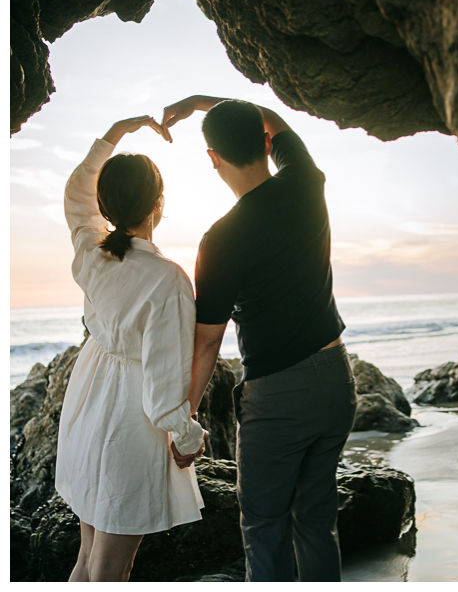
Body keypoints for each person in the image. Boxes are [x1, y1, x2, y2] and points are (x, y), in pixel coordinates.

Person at [161, 96, 357, 583]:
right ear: (266, 142)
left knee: (265, 526)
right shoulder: (306, 183)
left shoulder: (221, 239)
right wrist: (206, 103)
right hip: (336, 380)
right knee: (316, 522)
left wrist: (182, 421)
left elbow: (207, 343)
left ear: (212, 158)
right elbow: (276, 118)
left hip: (279, 395)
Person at [56, 115, 208, 583]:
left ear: (105, 204)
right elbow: (164, 390)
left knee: (87, 558)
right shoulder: (168, 279)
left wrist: (114, 135)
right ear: (159, 204)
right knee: (111, 569)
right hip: (130, 423)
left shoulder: (91, 251)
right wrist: (188, 439)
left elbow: (76, 197)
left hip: (87, 401)